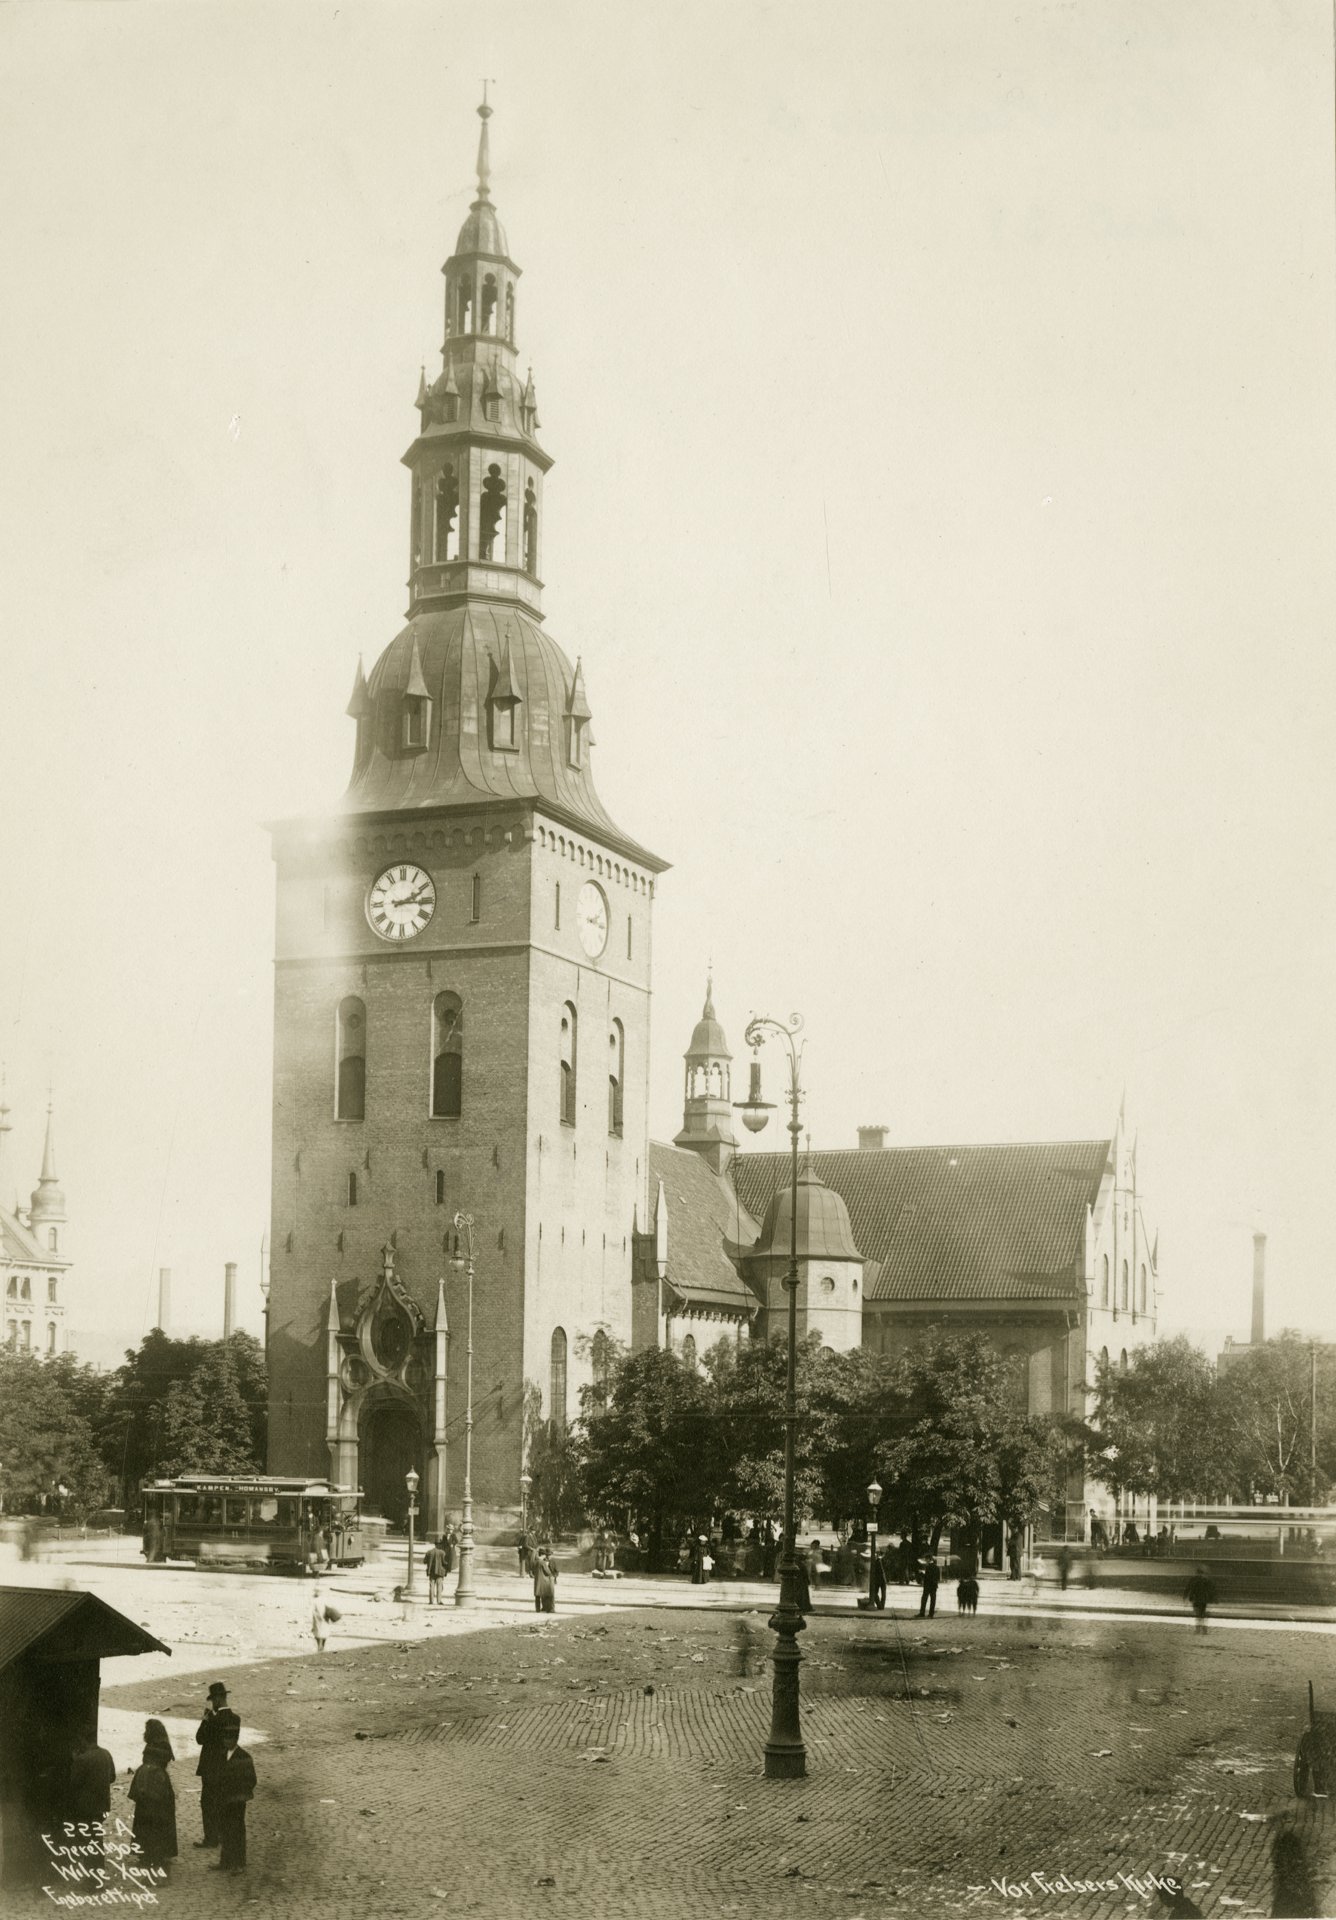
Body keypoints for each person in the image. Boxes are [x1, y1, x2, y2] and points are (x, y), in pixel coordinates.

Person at [195, 1683, 240, 1848]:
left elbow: (200, 1739)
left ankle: (211, 1838)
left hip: (210, 1767)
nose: (212, 1703)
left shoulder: (213, 1721)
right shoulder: (235, 1719)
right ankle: (222, 1834)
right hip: (226, 1766)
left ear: (217, 1699)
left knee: (208, 1802)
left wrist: (205, 1720)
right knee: (222, 1800)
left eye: (213, 1699)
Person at [128, 1727, 177, 1872]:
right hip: (156, 1786)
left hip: (152, 1786)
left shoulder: (154, 1746)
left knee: (148, 1823)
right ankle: (156, 1854)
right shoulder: (161, 1745)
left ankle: (150, 1855)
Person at [211, 1722, 256, 1875]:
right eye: (224, 1739)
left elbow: (251, 1780)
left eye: (228, 1739)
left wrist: (239, 1791)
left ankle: (239, 1863)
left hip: (236, 1801)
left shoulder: (244, 1757)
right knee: (224, 1829)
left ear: (235, 1740)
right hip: (224, 1799)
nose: (225, 1742)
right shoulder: (221, 1754)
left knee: (237, 1831)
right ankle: (225, 1861)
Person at [67, 1730, 116, 1827]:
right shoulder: (106, 1753)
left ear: (84, 1740)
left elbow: (74, 1783)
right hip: (103, 1805)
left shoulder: (82, 1759)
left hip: (86, 1807)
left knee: (85, 1834)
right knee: (97, 1833)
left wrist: (75, 1761)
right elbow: (112, 1778)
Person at [1184, 1564, 1215, 1635]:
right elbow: (1211, 1591)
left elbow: (1188, 1588)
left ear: (1197, 1572)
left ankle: (1197, 1629)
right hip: (1204, 1600)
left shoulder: (1194, 1579)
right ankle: (1204, 1630)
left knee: (1197, 1614)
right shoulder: (1207, 1580)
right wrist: (1212, 1599)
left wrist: (1185, 1597)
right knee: (1203, 1614)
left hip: (1196, 1599)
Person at [533, 1543, 558, 1614]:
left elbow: (556, 1571)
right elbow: (547, 1572)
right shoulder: (542, 1562)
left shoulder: (552, 1561)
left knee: (548, 1594)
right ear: (544, 1555)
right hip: (545, 1580)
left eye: (549, 1555)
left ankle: (549, 1608)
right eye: (546, 1555)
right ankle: (546, 1608)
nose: (547, 1556)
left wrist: (554, 1576)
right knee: (545, 1594)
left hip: (548, 1580)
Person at [425, 1537, 449, 1605]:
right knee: (439, 1586)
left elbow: (424, 1561)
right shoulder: (442, 1553)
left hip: (431, 1572)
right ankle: (439, 1601)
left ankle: (431, 1601)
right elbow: (445, 1562)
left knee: (431, 1586)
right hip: (440, 1572)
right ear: (440, 1544)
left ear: (435, 1544)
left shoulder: (429, 1552)